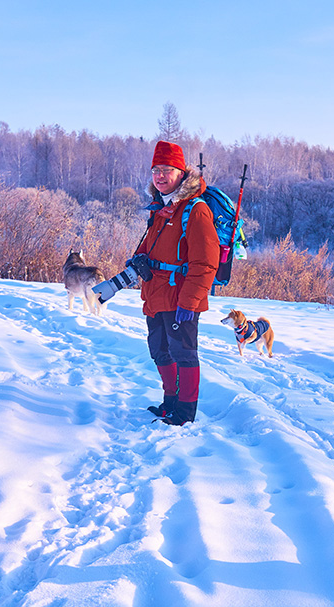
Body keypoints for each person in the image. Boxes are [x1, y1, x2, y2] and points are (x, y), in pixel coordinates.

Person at [137, 140, 220, 426]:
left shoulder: (194, 210)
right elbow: (151, 247)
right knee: (160, 351)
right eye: (155, 170)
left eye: (167, 170)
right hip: (156, 293)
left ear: (180, 173)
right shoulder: (160, 207)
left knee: (184, 354)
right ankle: (170, 402)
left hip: (181, 297)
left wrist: (190, 302)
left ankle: (185, 412)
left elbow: (206, 262)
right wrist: (138, 259)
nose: (160, 176)